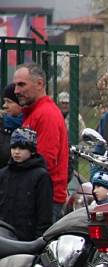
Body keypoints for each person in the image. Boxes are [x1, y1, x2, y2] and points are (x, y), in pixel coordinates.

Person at [13, 63, 68, 221]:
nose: (17, 91)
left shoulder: (45, 114)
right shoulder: (35, 112)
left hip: (43, 199)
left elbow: (44, 162)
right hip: (36, 195)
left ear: (39, 84)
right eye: (16, 85)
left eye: (22, 84)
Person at [0, 127, 52, 240]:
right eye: (14, 147)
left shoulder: (41, 176)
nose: (16, 152)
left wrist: (40, 239)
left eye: (22, 148)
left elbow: (45, 213)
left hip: (28, 238)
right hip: (3, 234)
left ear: (32, 151)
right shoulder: (3, 174)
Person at [1, 83, 24, 167]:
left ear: (21, 104)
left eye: (9, 102)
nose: (4, 106)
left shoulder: (32, 125)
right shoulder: (2, 125)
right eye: (4, 101)